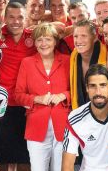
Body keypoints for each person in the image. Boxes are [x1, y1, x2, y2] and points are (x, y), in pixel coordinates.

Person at [15, 22, 70, 171]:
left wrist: (63, 95)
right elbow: (18, 95)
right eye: (39, 40)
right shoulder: (27, 63)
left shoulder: (68, 60)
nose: (43, 43)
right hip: (36, 126)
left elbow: (77, 91)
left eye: (48, 39)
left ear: (55, 41)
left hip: (64, 126)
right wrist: (36, 99)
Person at [0, 2, 37, 171]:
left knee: (25, 155)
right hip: (2, 103)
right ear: (4, 18)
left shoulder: (34, 35)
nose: (16, 21)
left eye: (20, 17)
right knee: (1, 154)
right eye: (11, 17)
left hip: (27, 104)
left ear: (26, 19)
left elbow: (58, 29)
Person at [62, 64, 108, 171]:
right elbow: (67, 166)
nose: (98, 92)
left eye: (102, 85)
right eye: (92, 86)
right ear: (87, 88)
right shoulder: (75, 119)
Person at [69, 20, 107, 110]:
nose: (78, 41)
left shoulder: (107, 54)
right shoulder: (74, 56)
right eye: (76, 36)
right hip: (81, 113)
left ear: (94, 38)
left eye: (84, 36)